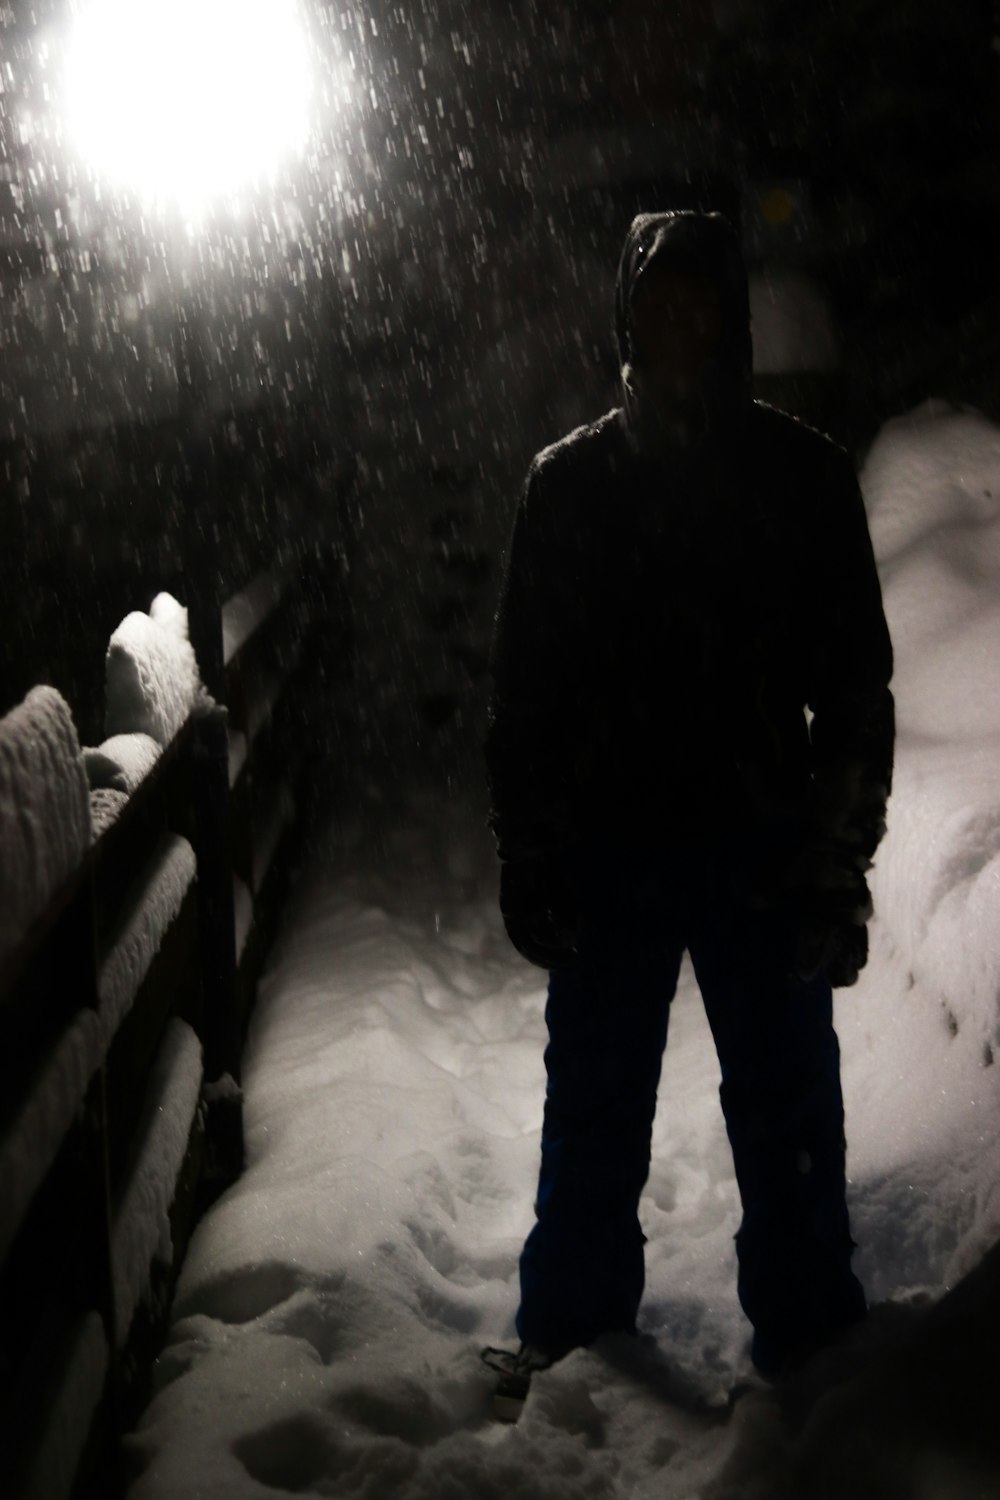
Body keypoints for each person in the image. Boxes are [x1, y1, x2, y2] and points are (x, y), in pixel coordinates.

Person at [484, 210, 894, 1383]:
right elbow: (527, 698)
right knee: (594, 1115)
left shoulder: (801, 477)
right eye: (657, 302)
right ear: (626, 316)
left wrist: (832, 863)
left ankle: (815, 1347)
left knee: (787, 1116)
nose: (678, 323)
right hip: (614, 855)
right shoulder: (568, 489)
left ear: (730, 319)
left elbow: (855, 697)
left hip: (759, 851)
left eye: (699, 301)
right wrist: (533, 851)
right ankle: (567, 1339)